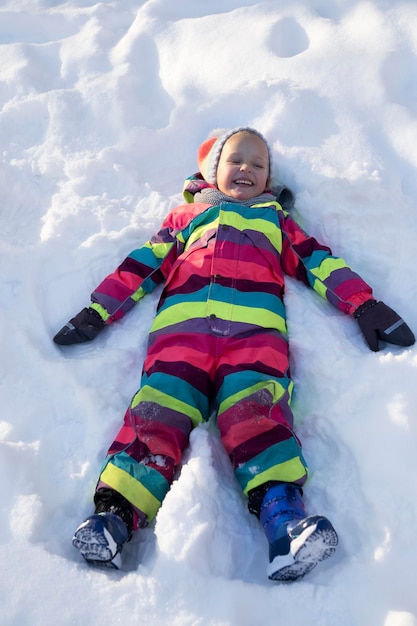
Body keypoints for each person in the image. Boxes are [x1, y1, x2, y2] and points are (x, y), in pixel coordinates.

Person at [54, 127, 415, 582]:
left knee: (258, 415)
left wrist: (365, 304)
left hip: (255, 340)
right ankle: (114, 518)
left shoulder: (277, 221)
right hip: (181, 338)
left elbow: (319, 263)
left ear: (268, 179)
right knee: (157, 412)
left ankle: (285, 525)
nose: (246, 169)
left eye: (258, 164)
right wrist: (97, 311)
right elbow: (141, 264)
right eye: (236, 160)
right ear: (212, 172)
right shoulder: (187, 217)